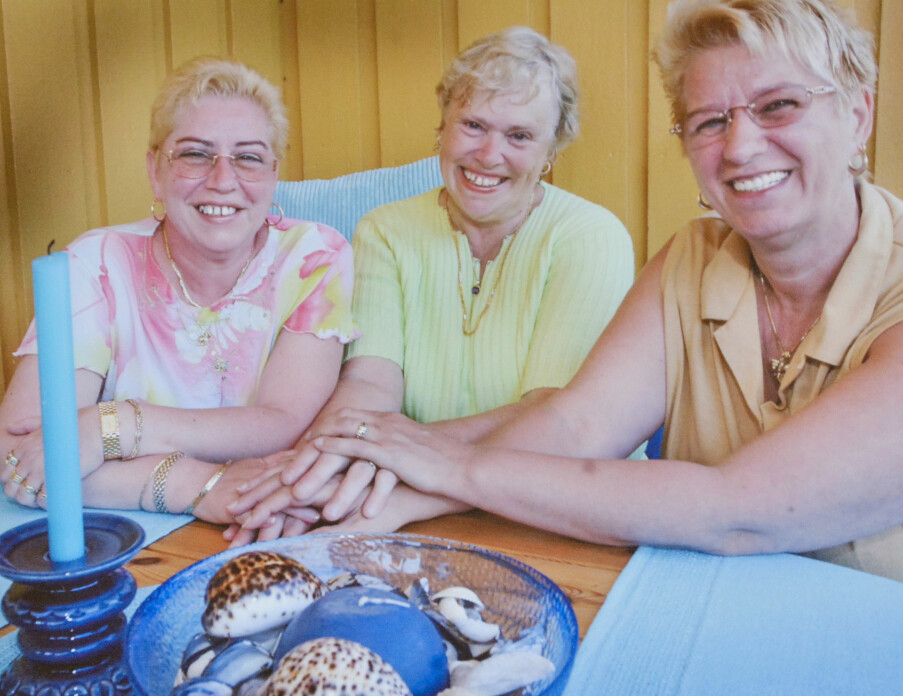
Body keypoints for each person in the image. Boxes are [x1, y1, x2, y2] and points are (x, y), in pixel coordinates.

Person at [295, 0, 903, 599]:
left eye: (779, 106)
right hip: (698, 612)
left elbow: (739, 508)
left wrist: (443, 467)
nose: (741, 145)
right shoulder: (691, 259)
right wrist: (394, 495)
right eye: (708, 121)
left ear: (857, 114)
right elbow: (576, 426)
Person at [225, 26, 635, 543]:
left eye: (519, 136)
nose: (488, 154)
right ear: (442, 126)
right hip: (400, 498)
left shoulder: (591, 237)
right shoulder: (385, 230)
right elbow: (372, 381)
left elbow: (551, 413)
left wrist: (390, 453)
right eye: (473, 125)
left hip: (552, 514)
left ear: (551, 149)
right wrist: (313, 468)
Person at [0, 57, 357, 533]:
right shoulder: (96, 264)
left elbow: (284, 423)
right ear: (155, 171)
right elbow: (19, 457)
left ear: (274, 175)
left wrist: (109, 427)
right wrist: (192, 485)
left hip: (268, 522)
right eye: (195, 154)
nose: (223, 180)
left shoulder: (315, 256)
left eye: (248, 157)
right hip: (120, 532)